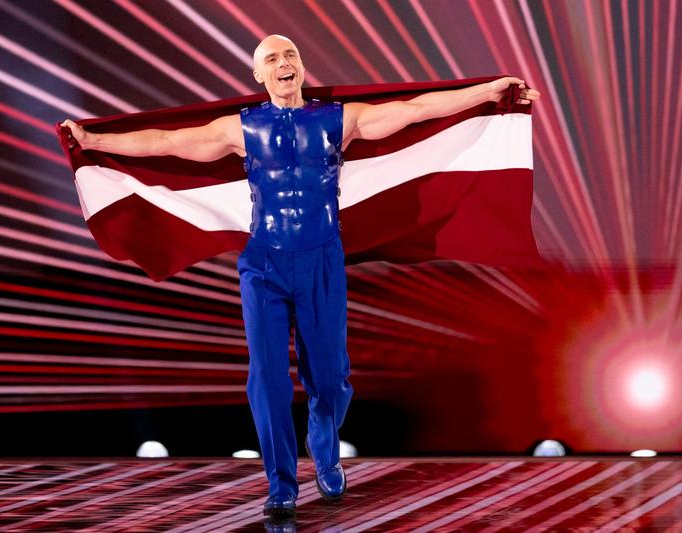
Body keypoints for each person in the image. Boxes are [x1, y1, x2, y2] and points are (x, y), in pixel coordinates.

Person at [61, 34, 540, 518]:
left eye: (290, 54)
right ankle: (281, 484)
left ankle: (324, 445)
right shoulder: (240, 128)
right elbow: (166, 143)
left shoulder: (338, 119)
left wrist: (487, 91)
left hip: (321, 259)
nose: (283, 62)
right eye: (272, 58)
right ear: (259, 75)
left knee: (330, 379)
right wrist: (95, 141)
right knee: (266, 378)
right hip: (264, 264)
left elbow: (414, 109)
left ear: (301, 66)